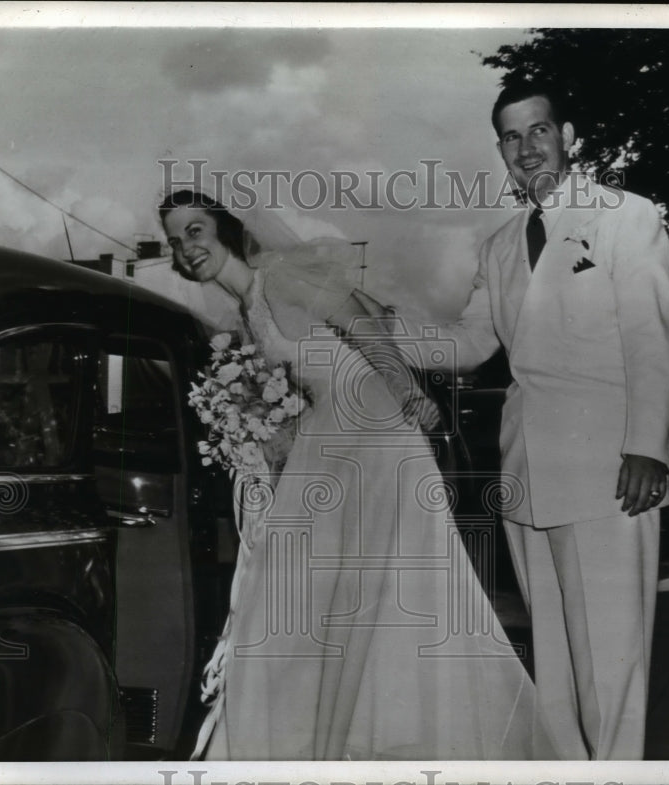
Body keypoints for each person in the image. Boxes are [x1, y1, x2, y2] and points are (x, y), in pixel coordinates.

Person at [158, 190, 550, 761]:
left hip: (374, 437)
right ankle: (335, 744)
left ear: (222, 228)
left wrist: (409, 393)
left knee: (383, 592)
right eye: (174, 240)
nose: (186, 247)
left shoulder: (279, 279)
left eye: (194, 230)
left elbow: (364, 326)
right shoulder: (242, 314)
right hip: (328, 443)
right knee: (313, 595)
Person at [382, 80, 669, 760]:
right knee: (552, 668)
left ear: (568, 135)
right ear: (501, 151)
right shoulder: (498, 245)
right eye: (512, 137)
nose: (526, 148)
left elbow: (654, 337)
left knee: (610, 664)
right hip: (526, 470)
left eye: (538, 130)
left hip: (610, 468)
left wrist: (648, 447)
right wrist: (378, 327)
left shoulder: (626, 217)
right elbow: (468, 343)